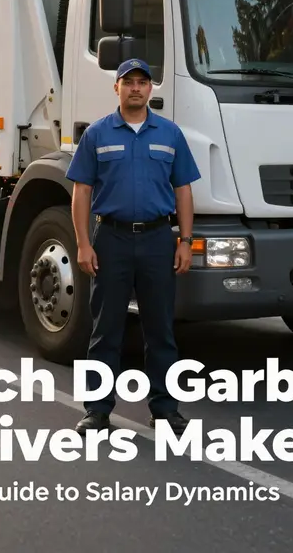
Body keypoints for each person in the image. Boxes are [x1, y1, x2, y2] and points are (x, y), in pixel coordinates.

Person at [66, 58, 201, 434]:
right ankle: (97, 410)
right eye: (129, 82)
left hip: (159, 239)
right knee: (106, 329)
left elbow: (184, 190)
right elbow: (81, 191)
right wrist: (82, 243)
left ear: (150, 89)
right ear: (117, 88)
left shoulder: (171, 134)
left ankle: (165, 408)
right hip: (111, 239)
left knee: (160, 329)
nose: (136, 88)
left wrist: (185, 242)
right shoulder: (97, 134)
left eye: (142, 82)